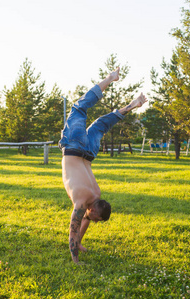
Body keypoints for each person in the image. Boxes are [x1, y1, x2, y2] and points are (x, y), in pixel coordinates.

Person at [59, 67, 147, 264]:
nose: (93, 221)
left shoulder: (96, 196)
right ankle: (110, 78)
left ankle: (132, 105)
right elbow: (72, 232)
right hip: (75, 145)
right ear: (93, 210)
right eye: (96, 219)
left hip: (89, 152)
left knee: (101, 124)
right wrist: (75, 259)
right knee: (79, 108)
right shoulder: (82, 202)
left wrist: (80, 242)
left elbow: (86, 220)